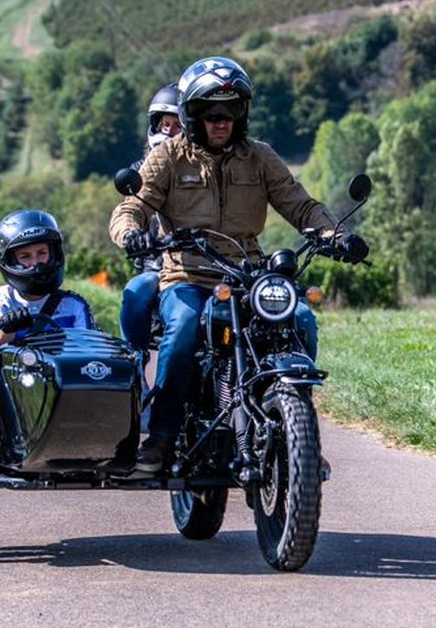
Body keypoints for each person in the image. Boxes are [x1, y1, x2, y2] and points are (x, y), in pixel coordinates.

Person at [109, 55, 367, 475]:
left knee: (300, 320)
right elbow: (131, 208)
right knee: (183, 329)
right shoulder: (168, 157)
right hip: (187, 275)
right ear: (192, 114)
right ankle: (162, 435)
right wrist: (131, 233)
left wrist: (334, 236)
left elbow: (300, 204)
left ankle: (300, 435)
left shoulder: (259, 157)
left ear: (242, 114)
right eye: (210, 113)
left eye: (230, 112)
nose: (221, 121)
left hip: (247, 274)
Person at [0, 211, 94, 395]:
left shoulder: (73, 304)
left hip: (59, 376)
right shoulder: (1, 298)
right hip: (11, 374)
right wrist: (8, 326)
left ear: (54, 253)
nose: (36, 263)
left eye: (42, 253)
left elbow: (85, 350)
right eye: (25, 256)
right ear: (10, 261)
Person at [118, 82, 182, 353]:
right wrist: (133, 235)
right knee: (137, 292)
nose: (169, 131)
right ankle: (135, 357)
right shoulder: (140, 172)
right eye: (165, 124)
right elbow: (130, 211)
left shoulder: (203, 171)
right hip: (156, 265)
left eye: (177, 125)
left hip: (206, 264)